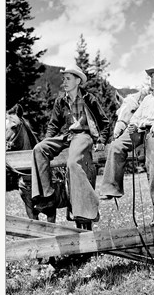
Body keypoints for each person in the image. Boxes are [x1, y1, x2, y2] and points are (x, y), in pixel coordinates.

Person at [100, 63, 154, 224]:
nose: (152, 79)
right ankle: (111, 187)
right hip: (140, 130)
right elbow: (136, 117)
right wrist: (132, 125)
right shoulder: (147, 99)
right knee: (116, 146)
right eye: (151, 76)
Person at [32, 64, 109, 229]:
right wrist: (48, 142)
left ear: (77, 81)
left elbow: (105, 123)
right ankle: (47, 196)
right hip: (67, 136)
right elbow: (53, 125)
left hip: (83, 135)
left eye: (67, 79)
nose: (64, 82)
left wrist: (101, 140)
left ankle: (87, 208)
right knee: (38, 149)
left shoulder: (89, 98)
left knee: (73, 163)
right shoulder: (61, 100)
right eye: (63, 79)